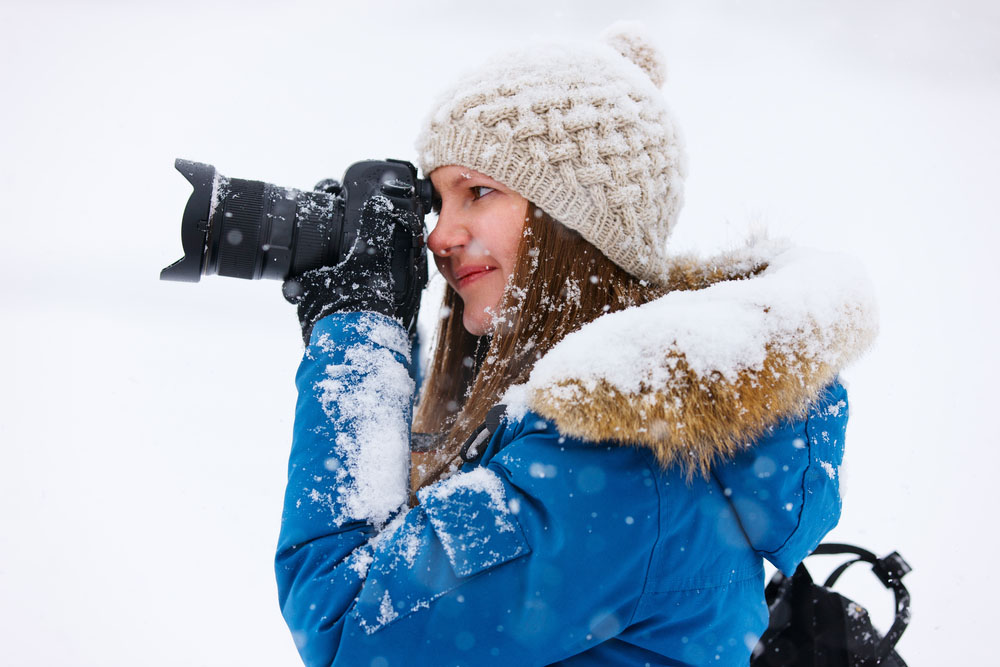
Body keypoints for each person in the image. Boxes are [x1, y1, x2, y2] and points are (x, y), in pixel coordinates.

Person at [275, 23, 878, 667]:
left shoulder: (615, 468)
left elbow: (344, 622)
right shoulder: (580, 436)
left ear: (578, 223)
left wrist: (360, 333)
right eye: (436, 200)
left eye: (478, 192)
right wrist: (374, 320)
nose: (439, 236)